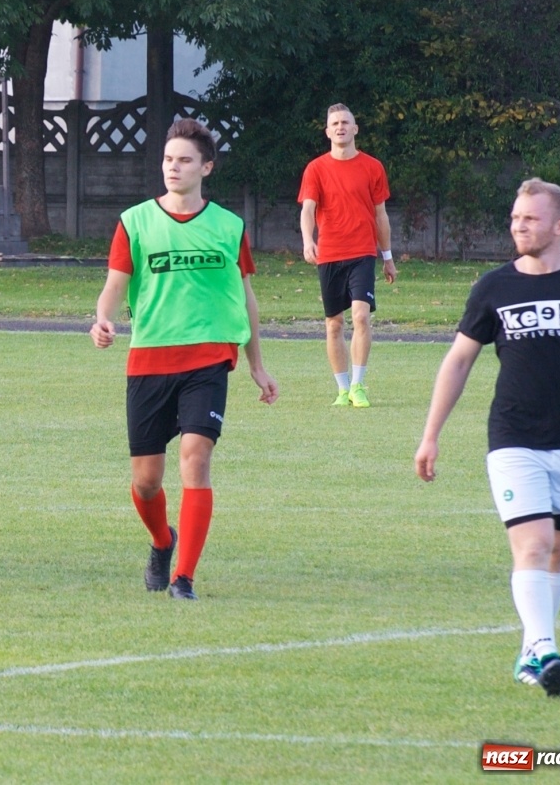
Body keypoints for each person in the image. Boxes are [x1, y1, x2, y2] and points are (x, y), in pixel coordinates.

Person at [414, 179, 560, 699]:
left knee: (557, 551)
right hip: (513, 435)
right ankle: (545, 646)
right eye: (516, 217)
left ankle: (530, 653)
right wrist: (431, 435)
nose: (518, 225)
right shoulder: (494, 287)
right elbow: (459, 361)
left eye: (530, 219)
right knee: (533, 545)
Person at [91, 119, 278, 600]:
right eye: (168, 160)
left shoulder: (229, 226)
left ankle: (184, 577)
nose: (174, 168)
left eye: (185, 160)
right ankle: (161, 542)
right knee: (147, 481)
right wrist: (102, 319)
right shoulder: (135, 221)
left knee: (196, 460)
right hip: (150, 359)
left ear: (206, 168)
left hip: (209, 358)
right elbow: (115, 283)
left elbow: (246, 297)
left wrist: (257, 363)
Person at [299, 103, 397, 408]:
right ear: (328, 132)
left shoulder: (372, 167)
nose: (340, 127)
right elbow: (308, 209)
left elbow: (381, 215)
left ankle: (358, 385)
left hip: (362, 253)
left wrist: (388, 256)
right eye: (335, 123)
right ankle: (342, 390)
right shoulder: (316, 168)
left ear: (355, 129)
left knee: (361, 316)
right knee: (334, 324)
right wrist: (307, 240)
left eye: (345, 122)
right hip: (329, 254)